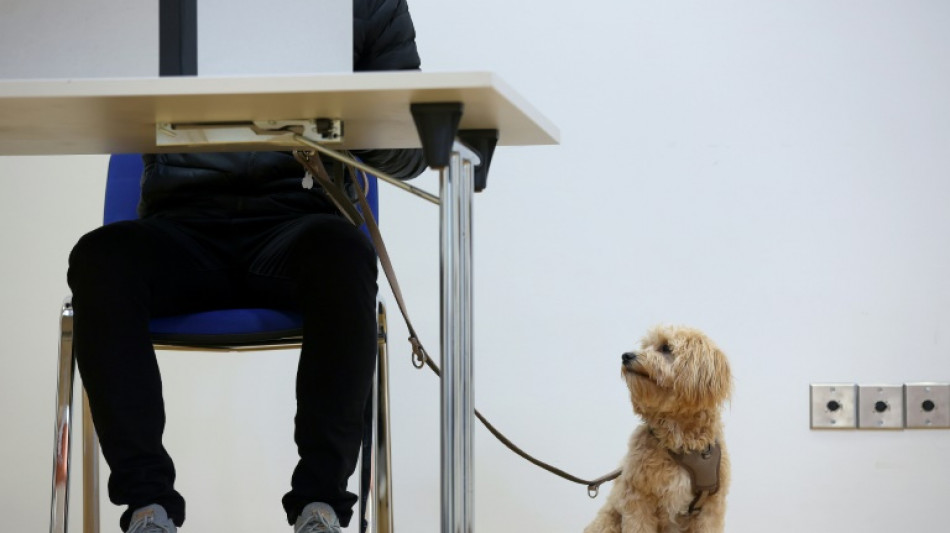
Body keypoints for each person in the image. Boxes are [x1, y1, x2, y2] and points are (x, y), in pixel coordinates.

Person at [66, 1, 426, 532]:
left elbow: (411, 147)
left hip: (298, 224)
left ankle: (319, 505)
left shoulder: (369, 5)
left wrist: (344, 120)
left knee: (344, 255)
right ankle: (149, 507)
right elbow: (89, 88)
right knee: (100, 260)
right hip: (183, 224)